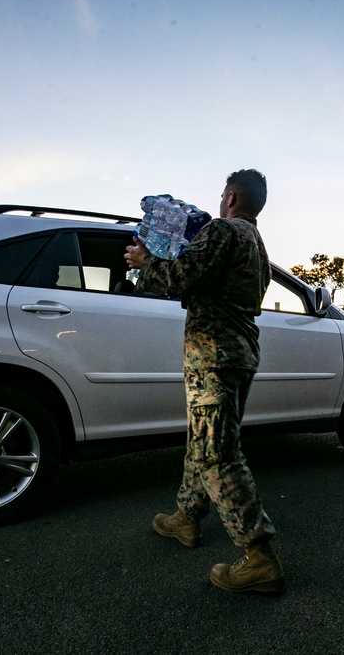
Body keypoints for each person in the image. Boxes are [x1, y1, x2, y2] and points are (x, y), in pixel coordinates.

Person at [123, 169, 283, 594]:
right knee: (204, 442)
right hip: (237, 354)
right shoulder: (256, 242)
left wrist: (145, 263)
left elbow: (182, 277)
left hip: (214, 356)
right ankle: (186, 518)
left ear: (231, 197)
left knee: (217, 455)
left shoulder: (223, 229)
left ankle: (260, 558)